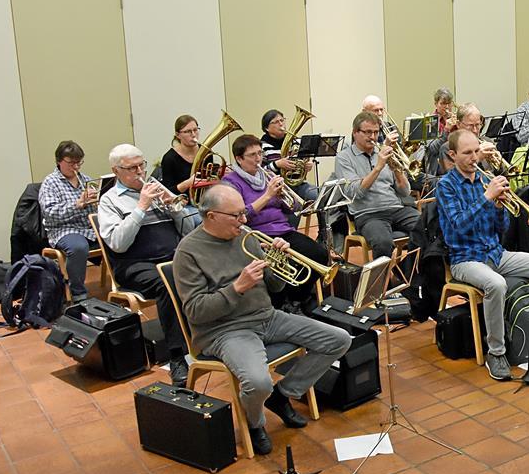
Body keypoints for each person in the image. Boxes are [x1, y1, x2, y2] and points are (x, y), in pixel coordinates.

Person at [173, 184, 351, 456]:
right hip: (225, 331)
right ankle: (255, 423)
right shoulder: (188, 253)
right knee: (258, 382)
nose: (244, 220)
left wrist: (278, 263)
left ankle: (284, 395)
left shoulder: (245, 236)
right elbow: (196, 311)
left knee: (338, 339)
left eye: (243, 213)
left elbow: (276, 288)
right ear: (211, 216)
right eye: (236, 216)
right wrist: (237, 287)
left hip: (267, 317)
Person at [436, 129, 529, 380]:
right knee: (496, 284)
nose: (474, 158)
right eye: (467, 153)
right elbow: (458, 224)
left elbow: (502, 228)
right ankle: (497, 352)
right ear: (452, 154)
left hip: (496, 253)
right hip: (465, 259)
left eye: (476, 152)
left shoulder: (484, 179)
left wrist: (500, 207)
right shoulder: (446, 186)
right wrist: (486, 197)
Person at [97, 144, 191, 386]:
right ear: (116, 171)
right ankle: (177, 356)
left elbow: (188, 230)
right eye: (132, 168)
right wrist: (141, 208)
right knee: (167, 283)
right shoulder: (109, 201)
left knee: (209, 268)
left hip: (172, 256)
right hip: (134, 263)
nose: (140, 172)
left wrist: (174, 207)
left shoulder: (156, 190)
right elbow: (118, 243)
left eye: (142, 165)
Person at [221, 135, 330, 311]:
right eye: (252, 155)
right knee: (275, 270)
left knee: (319, 254)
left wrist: (284, 198)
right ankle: (280, 304)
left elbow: (291, 208)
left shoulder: (268, 176)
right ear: (239, 159)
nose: (258, 159)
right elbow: (240, 216)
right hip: (256, 235)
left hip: (283, 230)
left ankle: (295, 299)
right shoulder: (231, 183)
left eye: (260, 153)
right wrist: (268, 196)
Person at [334, 111, 420, 260]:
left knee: (428, 229)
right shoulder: (344, 158)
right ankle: (382, 283)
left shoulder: (383, 153)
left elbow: (405, 192)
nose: (373, 137)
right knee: (383, 243)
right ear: (355, 132)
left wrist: (397, 169)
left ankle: (407, 273)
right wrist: (378, 167)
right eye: (367, 132)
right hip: (368, 215)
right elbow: (355, 193)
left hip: (396, 208)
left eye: (375, 132)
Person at [38, 140, 98, 303]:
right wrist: (77, 205)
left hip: (87, 227)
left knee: (116, 236)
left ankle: (121, 283)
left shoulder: (85, 179)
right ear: (59, 161)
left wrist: (98, 200)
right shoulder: (50, 183)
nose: (76, 167)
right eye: (71, 163)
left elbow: (93, 209)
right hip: (63, 229)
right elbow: (51, 213)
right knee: (78, 247)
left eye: (79, 162)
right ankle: (78, 293)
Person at [260, 109, 319, 208]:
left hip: (298, 185)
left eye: (282, 120)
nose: (281, 124)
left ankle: (323, 224)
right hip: (278, 189)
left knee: (320, 197)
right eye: (275, 122)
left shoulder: (296, 141)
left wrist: (306, 166)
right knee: (293, 207)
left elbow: (302, 162)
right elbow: (260, 172)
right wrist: (277, 164)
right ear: (267, 128)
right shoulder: (262, 146)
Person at [159, 115, 200, 196]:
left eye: (195, 130)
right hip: (183, 205)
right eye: (188, 131)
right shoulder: (169, 158)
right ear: (178, 135)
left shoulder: (206, 152)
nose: (193, 134)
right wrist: (187, 184)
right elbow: (167, 192)